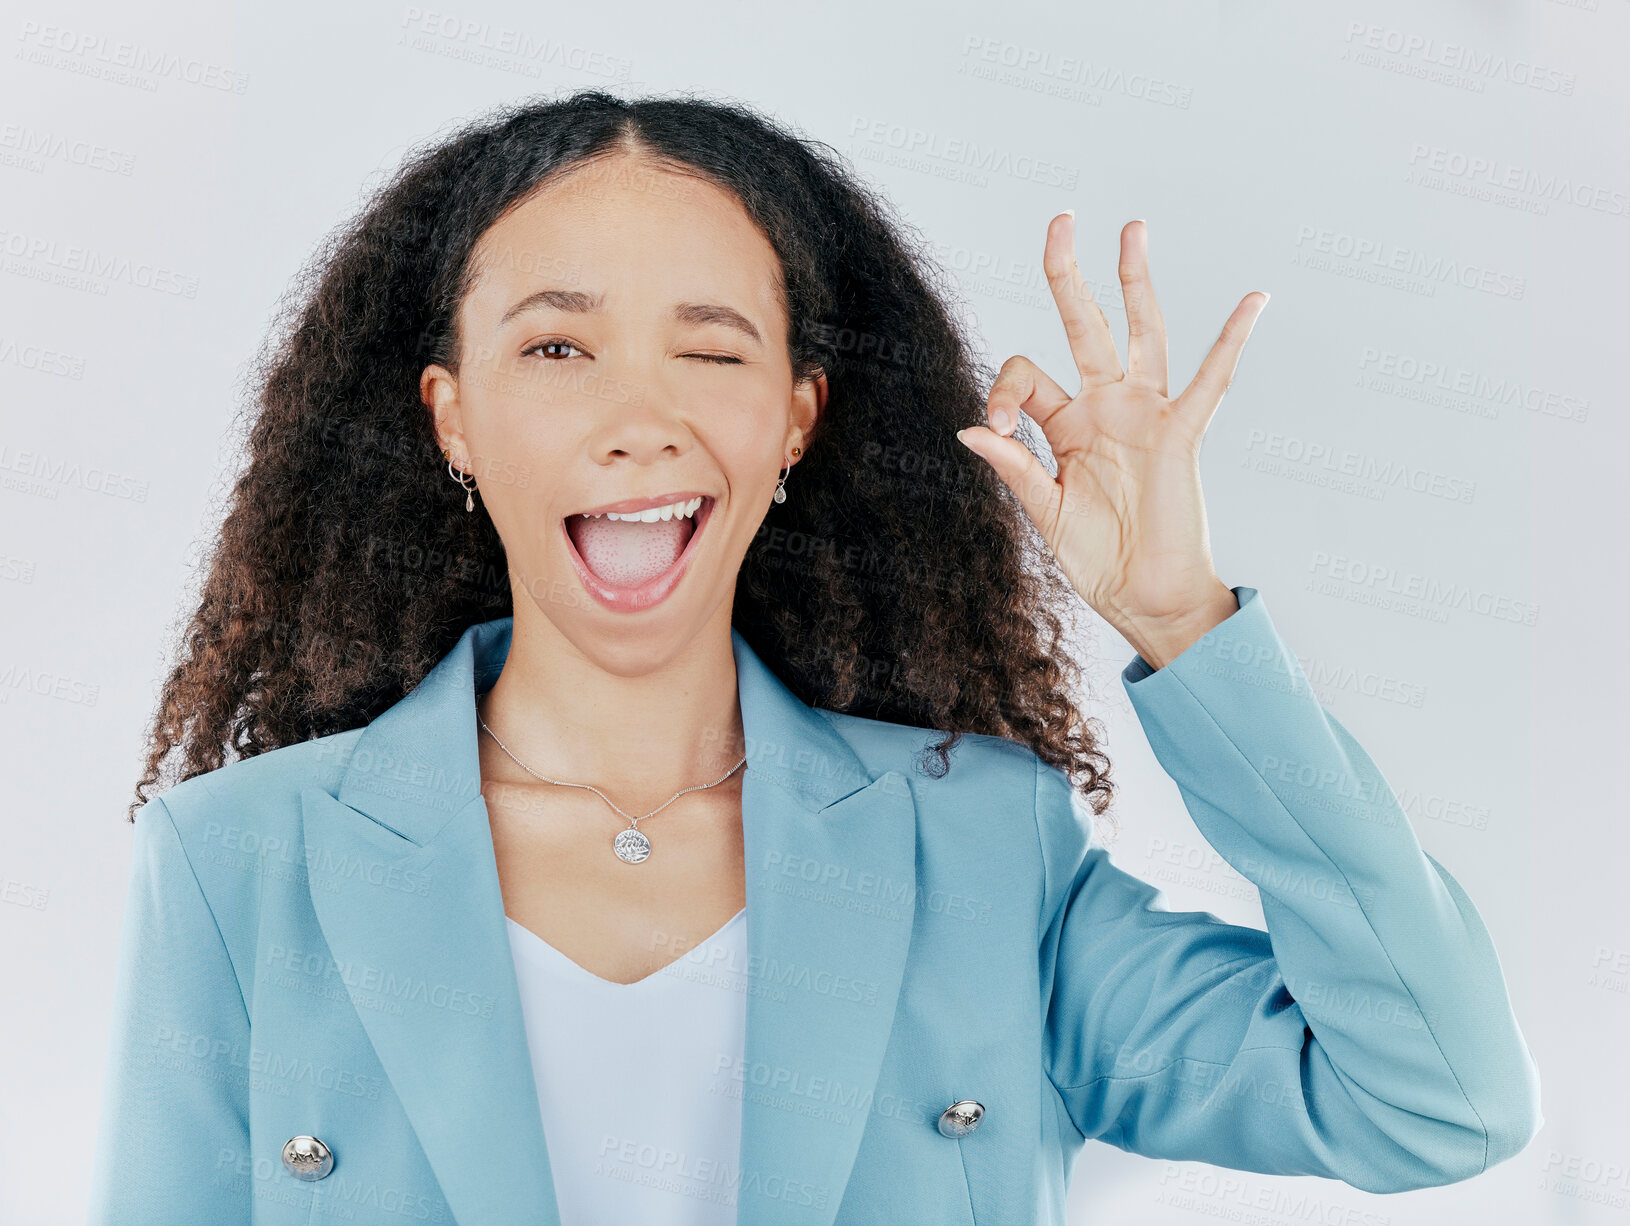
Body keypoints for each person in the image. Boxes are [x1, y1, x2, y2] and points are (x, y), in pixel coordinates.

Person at [89, 90, 1541, 1225]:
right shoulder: (238, 866)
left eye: (709, 351)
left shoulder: (978, 843)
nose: (636, 418)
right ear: (450, 414)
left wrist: (1181, 620)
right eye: (555, 349)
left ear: (795, 421)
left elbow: (1432, 1099)